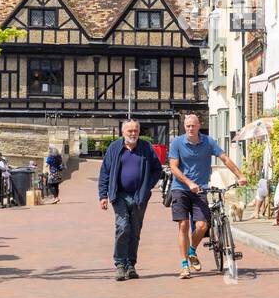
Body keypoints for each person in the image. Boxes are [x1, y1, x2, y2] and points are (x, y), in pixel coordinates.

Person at [168, 113, 244, 279]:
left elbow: (224, 158)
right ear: (184, 127)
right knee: (183, 225)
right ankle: (184, 266)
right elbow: (173, 167)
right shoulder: (177, 143)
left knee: (203, 226)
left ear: (199, 126)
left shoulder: (208, 142)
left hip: (201, 190)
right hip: (181, 188)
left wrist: (240, 175)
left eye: (193, 126)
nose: (190, 128)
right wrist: (189, 183)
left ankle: (192, 251)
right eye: (188, 126)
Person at [98, 120, 161, 281]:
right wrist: (103, 195)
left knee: (135, 231)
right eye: (130, 131)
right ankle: (120, 264)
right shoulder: (115, 147)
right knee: (122, 227)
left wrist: (147, 185)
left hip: (140, 196)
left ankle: (131, 264)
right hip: (119, 194)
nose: (133, 133)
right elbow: (105, 171)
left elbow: (157, 169)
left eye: (135, 130)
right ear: (123, 132)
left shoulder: (146, 147)